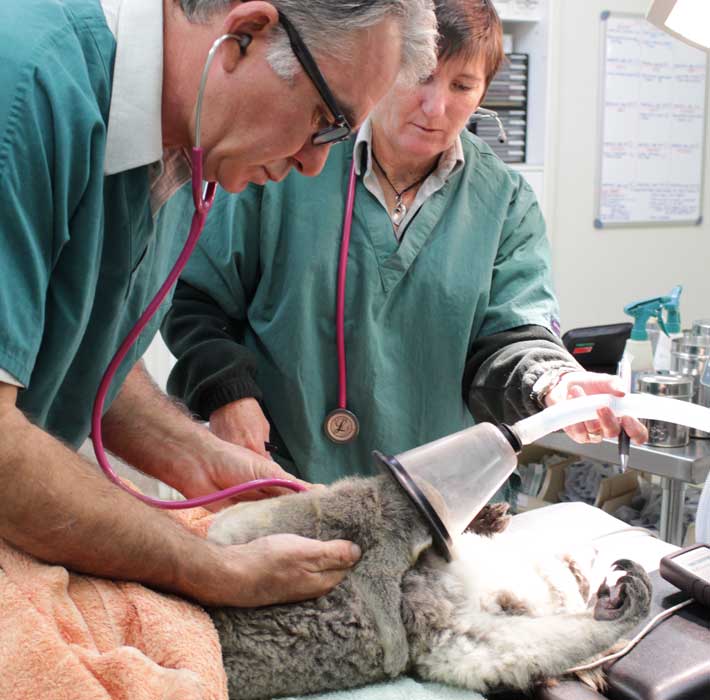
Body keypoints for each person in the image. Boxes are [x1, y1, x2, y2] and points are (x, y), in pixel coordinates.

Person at [0, 0, 438, 609]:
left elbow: (75, 353)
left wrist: (200, 458)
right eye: (325, 119)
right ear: (246, 34)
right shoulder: (22, 84)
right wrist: (210, 568)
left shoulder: (186, 149)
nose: (315, 163)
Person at [162, 0, 647, 488]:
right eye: (423, 77)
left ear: (484, 93)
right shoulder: (291, 156)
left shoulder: (504, 202)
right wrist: (227, 392)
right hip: (285, 478)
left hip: (437, 500)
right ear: (385, 66)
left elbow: (509, 340)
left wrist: (555, 382)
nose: (436, 108)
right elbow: (196, 299)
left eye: (462, 86)